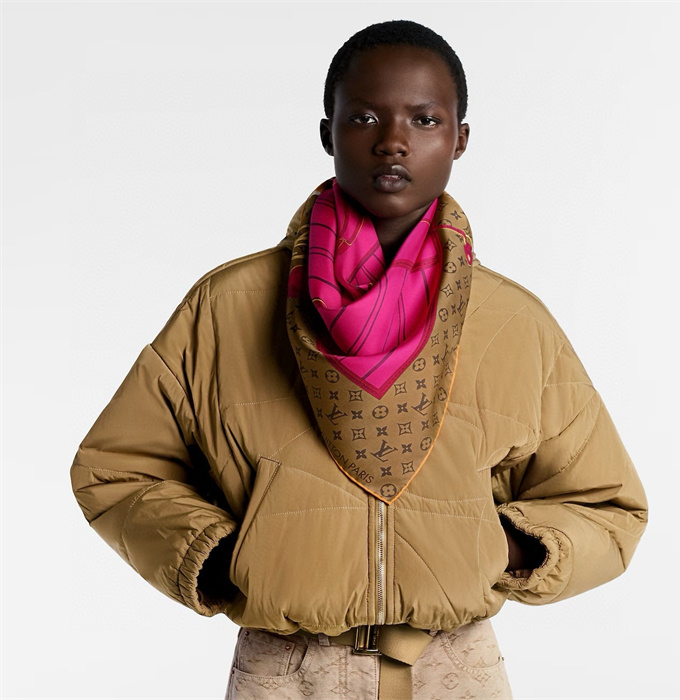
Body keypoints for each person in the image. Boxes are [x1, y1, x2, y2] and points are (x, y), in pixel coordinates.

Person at [70, 20, 648, 700]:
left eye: (425, 119)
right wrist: (228, 556)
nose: (393, 141)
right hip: (284, 669)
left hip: (454, 668)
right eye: (365, 117)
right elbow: (117, 469)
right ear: (328, 133)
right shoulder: (228, 306)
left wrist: (503, 544)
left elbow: (607, 505)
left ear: (460, 138)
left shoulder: (514, 321)